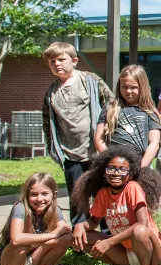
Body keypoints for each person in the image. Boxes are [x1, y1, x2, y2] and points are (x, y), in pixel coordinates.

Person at [71, 146, 161, 265]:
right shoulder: (103, 193)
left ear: (130, 174)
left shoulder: (132, 188)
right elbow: (93, 222)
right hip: (129, 255)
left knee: (139, 231)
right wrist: (80, 226)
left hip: (153, 256)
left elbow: (142, 224)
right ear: (103, 172)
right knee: (84, 235)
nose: (116, 173)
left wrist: (109, 242)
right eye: (111, 168)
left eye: (122, 169)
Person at [40, 41, 113, 224]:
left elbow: (112, 105)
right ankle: (79, 236)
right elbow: (47, 124)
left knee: (101, 192)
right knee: (77, 195)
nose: (56, 64)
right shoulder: (51, 93)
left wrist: (106, 137)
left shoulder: (90, 81)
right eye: (52, 61)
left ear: (74, 60)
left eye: (61, 59)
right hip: (70, 153)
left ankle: (106, 231)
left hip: (96, 151)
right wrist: (53, 150)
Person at [0, 173, 71, 265]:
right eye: (34, 194)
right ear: (26, 194)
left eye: (45, 194)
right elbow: (16, 239)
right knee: (20, 246)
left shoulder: (55, 210)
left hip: (33, 260)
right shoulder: (20, 208)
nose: (39, 199)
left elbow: (68, 238)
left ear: (54, 195)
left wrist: (42, 243)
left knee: (60, 245)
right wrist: (53, 234)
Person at [94, 64, 161, 168]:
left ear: (143, 87)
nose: (128, 91)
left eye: (133, 87)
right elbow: (99, 138)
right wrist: (110, 161)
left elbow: (154, 143)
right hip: (113, 164)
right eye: (124, 87)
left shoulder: (150, 112)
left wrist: (141, 167)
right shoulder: (109, 108)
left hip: (141, 165)